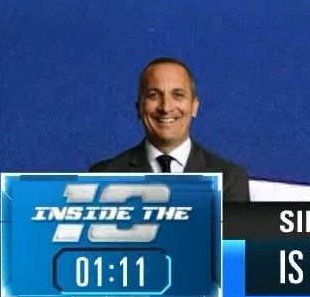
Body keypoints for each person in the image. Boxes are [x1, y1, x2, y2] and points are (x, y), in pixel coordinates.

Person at [90, 56, 250, 203]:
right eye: (154, 95)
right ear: (139, 108)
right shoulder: (103, 176)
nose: (166, 107)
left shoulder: (230, 179)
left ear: (194, 107)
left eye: (178, 95)